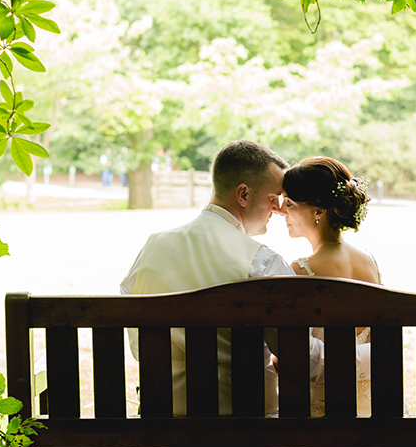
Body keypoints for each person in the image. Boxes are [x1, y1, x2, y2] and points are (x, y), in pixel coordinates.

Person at [120, 140, 294, 415]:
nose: (279, 209)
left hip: (160, 423)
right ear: (243, 195)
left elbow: (137, 344)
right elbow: (294, 352)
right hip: (247, 431)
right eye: (274, 198)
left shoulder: (152, 247)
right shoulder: (261, 262)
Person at [277, 156, 378, 416]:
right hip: (376, 407)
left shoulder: (300, 271)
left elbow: (294, 354)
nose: (282, 212)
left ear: (318, 211)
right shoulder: (368, 261)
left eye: (289, 203)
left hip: (325, 414)